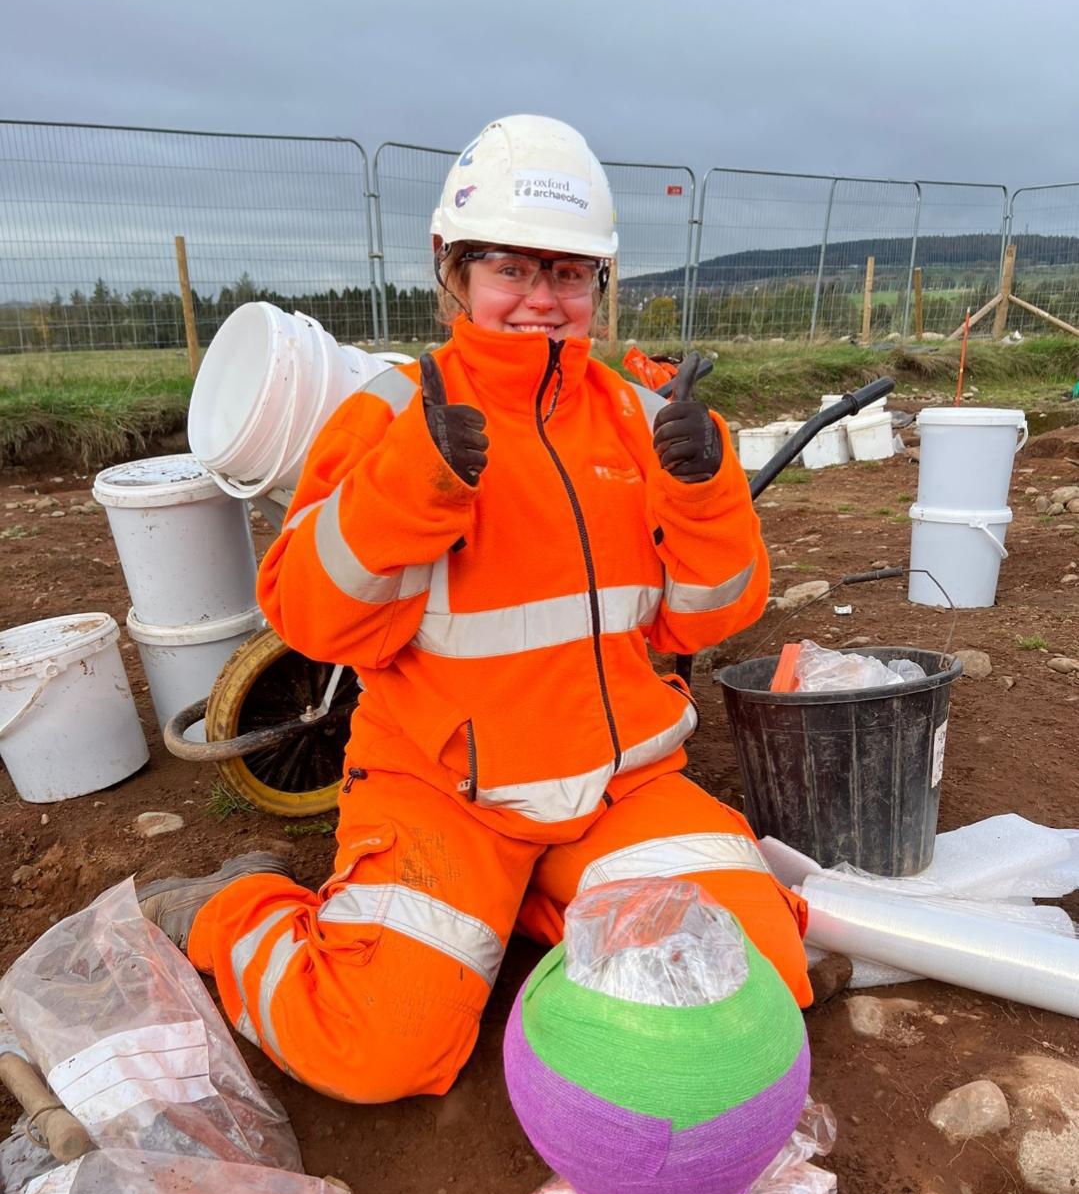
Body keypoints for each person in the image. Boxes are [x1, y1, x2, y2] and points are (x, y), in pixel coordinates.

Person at [139, 115, 810, 1103]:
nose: (541, 298)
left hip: (618, 786)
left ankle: (532, 902)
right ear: (451, 269)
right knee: (377, 1054)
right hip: (444, 795)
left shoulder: (642, 420)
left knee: (757, 978)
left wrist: (705, 494)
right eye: (510, 268)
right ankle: (228, 909)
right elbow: (316, 622)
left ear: (598, 283)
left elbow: (700, 621)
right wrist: (411, 488)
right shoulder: (385, 417)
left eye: (567, 273)